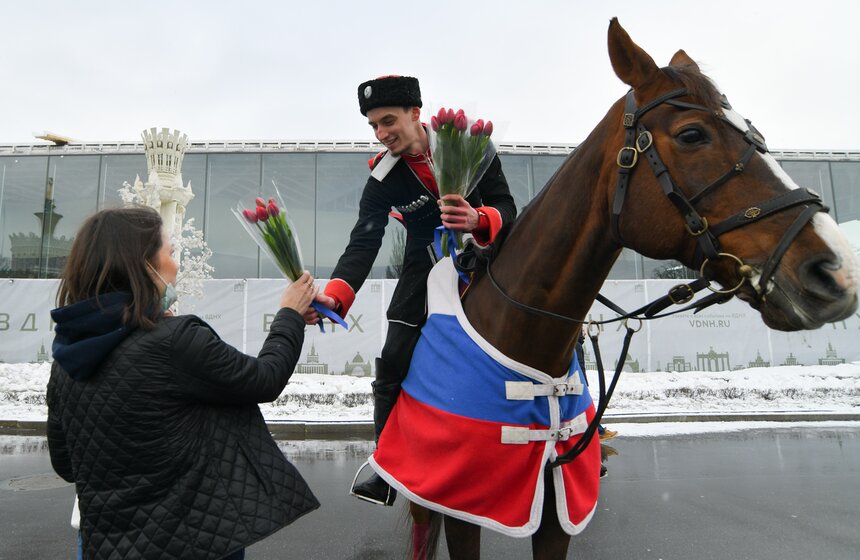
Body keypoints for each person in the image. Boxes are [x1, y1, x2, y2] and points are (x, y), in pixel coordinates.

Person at [47, 206, 320, 560]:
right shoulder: (174, 342)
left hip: (105, 545)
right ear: (143, 265)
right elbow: (264, 379)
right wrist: (290, 314)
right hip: (194, 541)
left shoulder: (66, 358)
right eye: (170, 253)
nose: (176, 265)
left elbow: (66, 465)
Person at [306, 75, 517, 506]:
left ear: (416, 114)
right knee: (395, 349)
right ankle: (384, 466)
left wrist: (479, 220)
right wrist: (335, 296)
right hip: (424, 266)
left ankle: (581, 438)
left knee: (551, 318)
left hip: (489, 256)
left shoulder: (475, 145)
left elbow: (508, 207)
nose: (382, 134)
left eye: (388, 121)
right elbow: (363, 242)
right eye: (373, 127)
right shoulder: (382, 178)